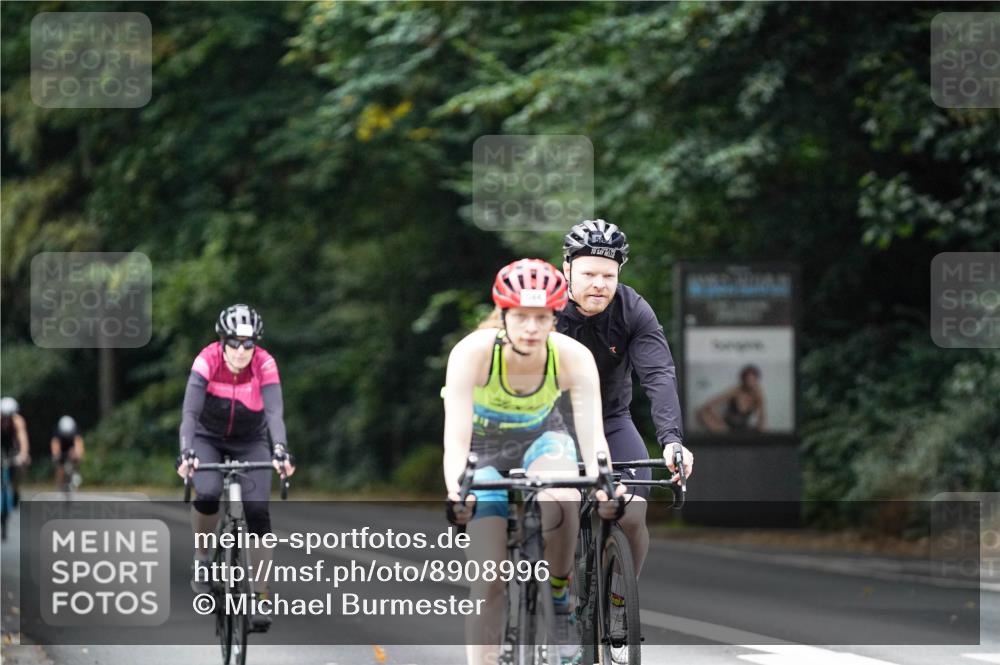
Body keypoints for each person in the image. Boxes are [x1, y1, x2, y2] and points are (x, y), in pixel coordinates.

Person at [443, 259, 624, 665]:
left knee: (562, 492)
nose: (530, 328)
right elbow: (455, 438)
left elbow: (593, 436)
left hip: (544, 440)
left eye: (541, 317)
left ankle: (559, 596)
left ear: (555, 316)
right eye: (521, 316)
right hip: (485, 451)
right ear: (502, 314)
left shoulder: (572, 356)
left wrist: (604, 481)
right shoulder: (470, 353)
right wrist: (457, 491)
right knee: (488, 582)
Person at [557, 219, 694, 578]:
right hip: (554, 425)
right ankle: (557, 596)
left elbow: (658, 374)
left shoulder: (633, 309)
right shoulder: (545, 310)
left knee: (631, 514)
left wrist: (672, 440)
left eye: (609, 275)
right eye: (589, 274)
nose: (600, 285)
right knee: (560, 509)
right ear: (567, 268)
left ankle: (618, 598)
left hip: (611, 421)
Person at [175, 304, 295, 633]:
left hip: (250, 440)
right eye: (234, 343)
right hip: (206, 437)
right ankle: (202, 558)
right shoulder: (206, 361)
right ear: (222, 341)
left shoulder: (265, 363)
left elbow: (274, 414)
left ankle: (259, 595)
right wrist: (186, 452)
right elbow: (189, 414)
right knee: (209, 492)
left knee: (258, 511)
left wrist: (281, 450)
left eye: (249, 344)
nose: (241, 351)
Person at [696, 364, 767, 433]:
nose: (750, 382)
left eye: (753, 379)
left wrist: (761, 400)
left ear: (757, 380)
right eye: (748, 379)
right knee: (701, 412)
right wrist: (718, 420)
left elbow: (761, 420)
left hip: (743, 429)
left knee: (762, 430)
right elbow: (708, 405)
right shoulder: (735, 391)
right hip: (726, 428)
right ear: (743, 380)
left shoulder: (758, 395)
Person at [1, 397, 30, 540]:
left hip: (13, 449)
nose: (6, 420)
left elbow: (23, 439)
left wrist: (23, 455)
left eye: (9, 417)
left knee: (19, 468)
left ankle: (16, 490)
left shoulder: (18, 421)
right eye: (4, 417)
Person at [51, 415, 85, 491]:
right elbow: (55, 444)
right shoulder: (57, 432)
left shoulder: (76, 431)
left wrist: (78, 455)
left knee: (76, 460)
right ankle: (59, 485)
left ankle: (76, 477)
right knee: (59, 466)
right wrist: (56, 455)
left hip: (71, 447)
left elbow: (79, 444)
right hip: (62, 447)